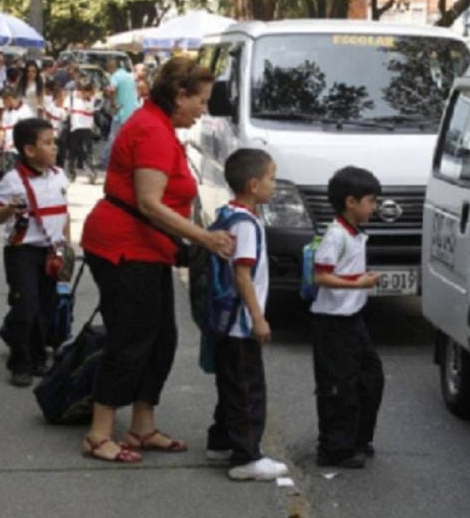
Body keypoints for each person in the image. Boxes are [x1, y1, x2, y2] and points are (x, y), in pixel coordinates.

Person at [77, 56, 234, 463]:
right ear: (179, 95)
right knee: (130, 339)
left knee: (162, 339)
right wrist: (205, 238)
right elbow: (149, 203)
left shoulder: (160, 126)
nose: (204, 109)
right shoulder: (150, 130)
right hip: (124, 247)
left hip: (149, 248)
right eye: (200, 100)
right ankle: (98, 433)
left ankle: (142, 426)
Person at [204, 148, 290, 481]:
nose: (274, 184)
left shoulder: (227, 213)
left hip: (224, 320)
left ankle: (222, 441)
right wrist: (258, 317)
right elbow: (243, 275)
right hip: (240, 323)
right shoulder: (248, 224)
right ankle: (246, 456)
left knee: (231, 384)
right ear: (253, 184)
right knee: (247, 390)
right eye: (271, 178)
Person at [310, 166, 384, 469]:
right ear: (351, 202)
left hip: (353, 318)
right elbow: (321, 277)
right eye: (371, 201)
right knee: (339, 386)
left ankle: (358, 437)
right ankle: (334, 448)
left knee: (370, 378)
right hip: (333, 322)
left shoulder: (355, 233)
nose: (375, 207)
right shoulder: (336, 235)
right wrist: (358, 284)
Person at [0, 118, 69, 386]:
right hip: (22, 251)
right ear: (29, 150)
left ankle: (38, 356)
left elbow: (63, 214)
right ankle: (19, 362)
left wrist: (66, 247)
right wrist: (9, 209)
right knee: (25, 305)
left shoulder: (59, 175)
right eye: (47, 143)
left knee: (45, 307)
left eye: (53, 142)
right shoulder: (12, 180)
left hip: (50, 252)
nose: (54, 147)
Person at [101, 58, 140, 168]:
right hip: (133, 110)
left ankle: (105, 160)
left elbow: (112, 89)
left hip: (121, 112)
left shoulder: (115, 76)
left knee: (113, 136)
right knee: (129, 138)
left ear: (110, 68)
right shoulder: (129, 76)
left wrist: (112, 103)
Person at [66, 79, 98, 183]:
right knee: (72, 152)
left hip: (86, 129)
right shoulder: (71, 98)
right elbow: (65, 108)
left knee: (87, 152)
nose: (84, 94)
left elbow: (96, 92)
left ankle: (90, 173)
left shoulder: (91, 99)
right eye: (83, 91)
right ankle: (70, 173)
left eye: (87, 91)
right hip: (74, 128)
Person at [0, 88, 35, 158]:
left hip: (19, 151)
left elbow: (28, 133)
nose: (3, 104)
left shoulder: (26, 111)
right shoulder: (6, 113)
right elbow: (2, 131)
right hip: (7, 151)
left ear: (9, 99)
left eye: (4, 101)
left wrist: (15, 144)